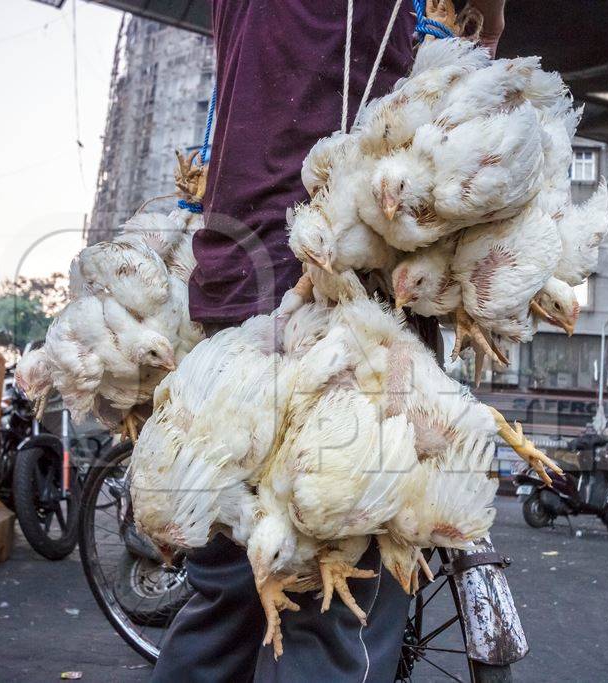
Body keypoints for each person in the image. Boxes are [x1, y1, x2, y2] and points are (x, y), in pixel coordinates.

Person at [155, 2, 508, 681]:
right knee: (327, 596)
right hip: (329, 291)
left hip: (236, 278)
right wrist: (488, 24)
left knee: (233, 590)